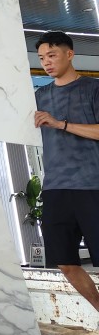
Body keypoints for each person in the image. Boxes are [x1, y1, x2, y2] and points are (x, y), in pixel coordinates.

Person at [34, 30, 99, 313]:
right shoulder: (39, 96)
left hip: (92, 185)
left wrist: (60, 123)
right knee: (65, 262)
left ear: (69, 54)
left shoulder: (93, 89)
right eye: (41, 58)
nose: (46, 62)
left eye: (52, 55)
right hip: (55, 188)